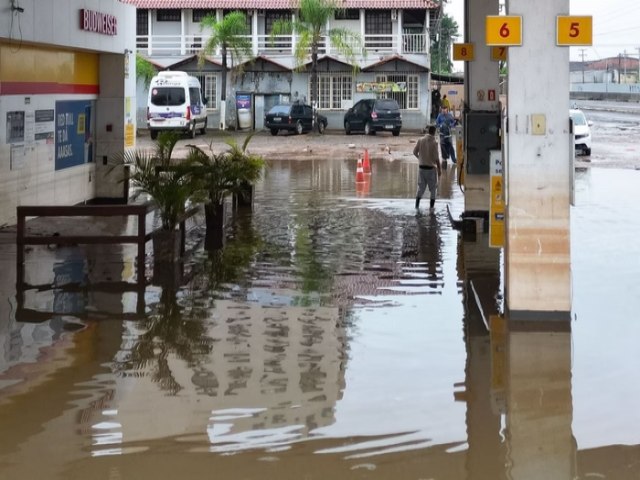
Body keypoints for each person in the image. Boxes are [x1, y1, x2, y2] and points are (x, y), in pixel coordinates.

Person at [413, 125, 442, 210]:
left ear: (428, 131)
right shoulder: (434, 143)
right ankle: (431, 209)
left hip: (421, 168)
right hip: (430, 169)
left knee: (420, 188)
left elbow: (414, 152)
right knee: (433, 189)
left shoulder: (420, 140)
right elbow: (437, 158)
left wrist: (420, 159)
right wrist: (439, 169)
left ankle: (416, 206)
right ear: (434, 132)